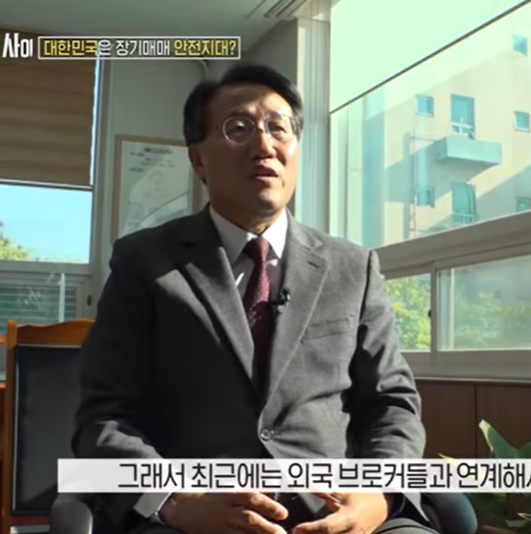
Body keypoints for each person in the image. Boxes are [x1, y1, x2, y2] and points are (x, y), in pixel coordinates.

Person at [73, 63, 432, 534]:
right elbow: (105, 417)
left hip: (338, 515)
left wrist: (377, 497)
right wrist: (175, 502)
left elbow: (392, 403)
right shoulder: (145, 262)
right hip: (195, 519)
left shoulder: (352, 267)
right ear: (197, 159)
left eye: (278, 129)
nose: (264, 145)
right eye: (238, 129)